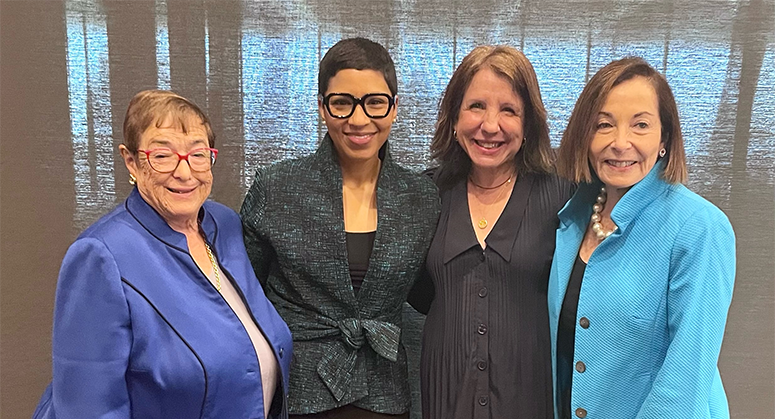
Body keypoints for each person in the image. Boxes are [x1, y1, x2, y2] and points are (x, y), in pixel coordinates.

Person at [32, 90, 293, 419]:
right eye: (163, 155)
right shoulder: (100, 256)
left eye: (198, 154)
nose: (185, 173)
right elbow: (88, 409)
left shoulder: (224, 224)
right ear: (132, 161)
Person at [240, 38, 440, 419]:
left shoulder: (421, 197)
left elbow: (430, 293)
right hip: (299, 390)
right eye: (342, 102)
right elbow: (244, 294)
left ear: (394, 108)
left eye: (375, 102)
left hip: (385, 393)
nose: (359, 119)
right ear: (322, 107)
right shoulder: (277, 188)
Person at [549, 57, 736, 419]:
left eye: (640, 125)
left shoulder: (699, 227)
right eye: (603, 125)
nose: (621, 143)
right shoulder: (572, 218)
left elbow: (686, 378)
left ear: (664, 137)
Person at [407, 45, 574, 419]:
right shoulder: (425, 194)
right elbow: (412, 290)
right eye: (476, 106)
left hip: (531, 396)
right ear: (453, 116)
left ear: (529, 124)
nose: (490, 125)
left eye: (509, 110)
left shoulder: (564, 197)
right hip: (447, 396)